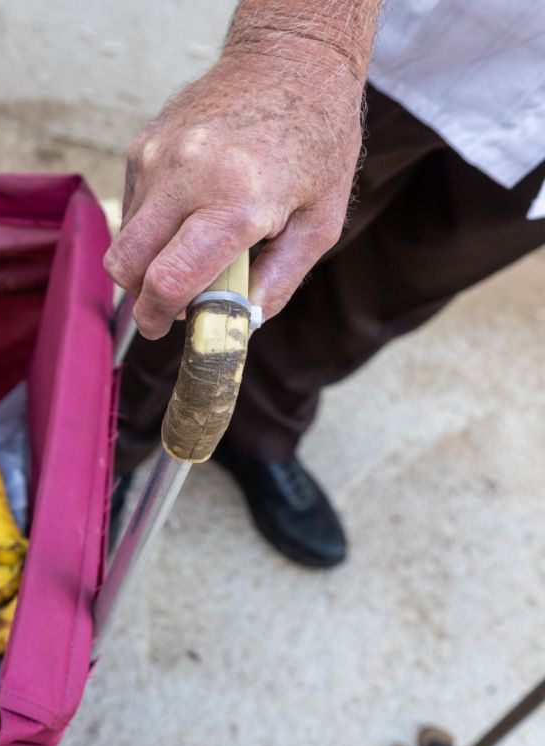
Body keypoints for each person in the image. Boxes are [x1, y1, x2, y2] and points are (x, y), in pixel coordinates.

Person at [108, 0, 545, 568]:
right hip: (404, 42)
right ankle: (114, 439)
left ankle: (264, 426)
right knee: (219, 273)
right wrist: (297, 51)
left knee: (390, 288)